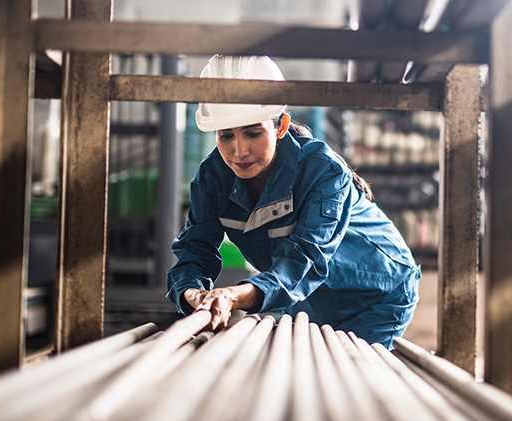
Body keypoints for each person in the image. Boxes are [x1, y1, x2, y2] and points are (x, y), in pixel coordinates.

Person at [166, 55, 420, 349]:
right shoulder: (212, 178)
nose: (239, 151)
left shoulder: (323, 172)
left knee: (346, 372)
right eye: (225, 136)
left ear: (281, 126)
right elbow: (195, 250)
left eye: (253, 133)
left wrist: (234, 296)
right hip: (307, 298)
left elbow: (304, 259)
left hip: (377, 295)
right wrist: (194, 293)